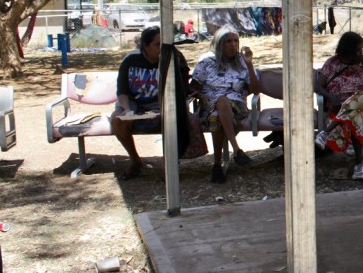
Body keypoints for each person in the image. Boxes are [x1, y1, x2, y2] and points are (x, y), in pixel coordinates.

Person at [111, 26, 188, 180]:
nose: (162, 48)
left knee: (172, 119)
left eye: (165, 44)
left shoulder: (175, 58)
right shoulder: (130, 60)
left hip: (164, 102)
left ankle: (171, 162)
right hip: (134, 103)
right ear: (145, 46)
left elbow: (183, 86)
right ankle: (135, 160)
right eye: (157, 44)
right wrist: (127, 110)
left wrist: (168, 105)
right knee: (118, 121)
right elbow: (122, 91)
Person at [190, 25, 261, 184]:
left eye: (236, 41)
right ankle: (233, 154)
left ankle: (219, 162)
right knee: (216, 115)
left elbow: (256, 89)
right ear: (219, 43)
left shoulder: (242, 62)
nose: (233, 45)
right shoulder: (206, 61)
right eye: (228, 41)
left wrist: (249, 65)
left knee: (222, 101)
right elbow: (192, 87)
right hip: (209, 107)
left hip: (237, 106)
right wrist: (201, 96)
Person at [315, 32, 363, 181]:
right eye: (357, 50)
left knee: (360, 98)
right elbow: (318, 87)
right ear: (347, 49)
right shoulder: (332, 63)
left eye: (362, 49)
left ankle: (326, 132)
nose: (361, 53)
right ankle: (359, 166)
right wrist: (330, 96)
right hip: (341, 107)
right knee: (355, 118)